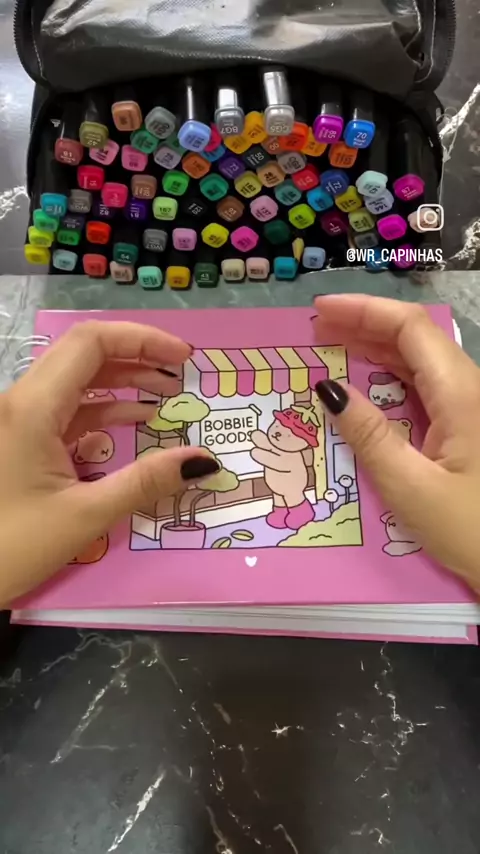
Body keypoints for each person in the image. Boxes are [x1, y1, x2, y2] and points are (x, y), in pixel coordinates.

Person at [0, 294, 479, 607]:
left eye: (283, 435)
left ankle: (297, 513)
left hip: (291, 498)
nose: (276, 438)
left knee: (286, 503)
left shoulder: (289, 457)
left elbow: (271, 455)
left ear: (300, 444)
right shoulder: (282, 450)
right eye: (278, 435)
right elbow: (267, 451)